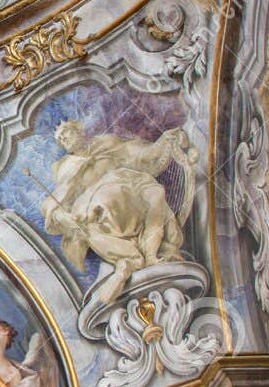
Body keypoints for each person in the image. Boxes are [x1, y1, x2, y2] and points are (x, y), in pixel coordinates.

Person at [42, 120, 197, 302]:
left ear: (79, 130)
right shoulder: (67, 168)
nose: (65, 138)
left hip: (130, 185)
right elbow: (53, 203)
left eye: (67, 132)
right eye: (61, 138)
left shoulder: (105, 144)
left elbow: (140, 153)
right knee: (102, 205)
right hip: (99, 205)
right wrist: (61, 215)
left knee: (156, 193)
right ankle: (132, 260)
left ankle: (151, 253)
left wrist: (164, 142)